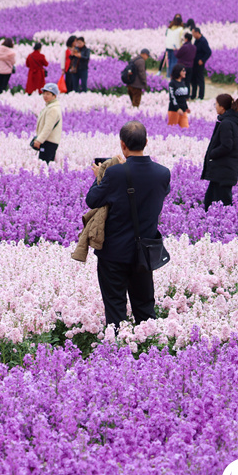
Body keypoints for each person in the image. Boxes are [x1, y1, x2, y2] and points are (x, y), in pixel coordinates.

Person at [85, 121, 171, 327]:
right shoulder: (162, 173)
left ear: (122, 145)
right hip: (144, 252)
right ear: (146, 142)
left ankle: (118, 352)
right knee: (145, 307)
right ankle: (150, 351)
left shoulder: (115, 173)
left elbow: (92, 200)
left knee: (115, 306)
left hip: (113, 252)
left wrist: (100, 178)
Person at [201, 94, 238, 210]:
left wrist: (212, 154)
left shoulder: (226, 123)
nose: (215, 107)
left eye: (217, 104)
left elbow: (226, 146)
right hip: (224, 170)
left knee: (222, 202)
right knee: (212, 199)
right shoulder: (230, 121)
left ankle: (225, 224)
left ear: (222, 107)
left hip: (223, 169)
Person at [32, 82, 62, 164]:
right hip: (47, 141)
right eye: (44, 93)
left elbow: (48, 127)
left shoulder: (53, 109)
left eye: (48, 94)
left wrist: (39, 140)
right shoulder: (50, 107)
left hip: (48, 142)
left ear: (54, 96)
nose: (45, 96)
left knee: (45, 165)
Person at [191, 28, 211, 101]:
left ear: (197, 32)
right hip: (194, 63)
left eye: (193, 33)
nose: (193, 35)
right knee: (193, 79)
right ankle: (193, 95)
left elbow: (208, 52)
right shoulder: (197, 40)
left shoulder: (203, 41)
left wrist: (202, 60)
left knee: (200, 79)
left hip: (199, 63)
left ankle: (201, 96)